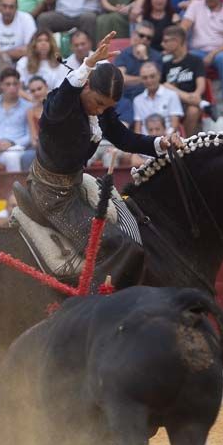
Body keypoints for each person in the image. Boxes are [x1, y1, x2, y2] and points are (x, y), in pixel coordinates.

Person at [25, 31, 182, 282]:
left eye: (106, 107)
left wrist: (160, 143)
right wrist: (87, 65)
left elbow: (123, 138)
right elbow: (53, 113)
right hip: (52, 196)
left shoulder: (99, 108)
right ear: (86, 85)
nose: (100, 110)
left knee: (132, 225)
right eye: (98, 103)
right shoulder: (61, 103)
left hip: (77, 183)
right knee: (113, 245)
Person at [182, 0, 223, 116]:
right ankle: (194, 99)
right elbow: (183, 27)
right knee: (190, 58)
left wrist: (213, 53)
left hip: (222, 50)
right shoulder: (195, 5)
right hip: (198, 51)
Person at [133, 59, 185, 135]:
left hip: (168, 140)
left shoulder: (172, 95)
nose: (149, 80)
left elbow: (175, 125)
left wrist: (163, 141)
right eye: (145, 78)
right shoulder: (137, 100)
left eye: (152, 76)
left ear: (159, 75)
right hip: (146, 142)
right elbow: (138, 129)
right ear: (141, 79)